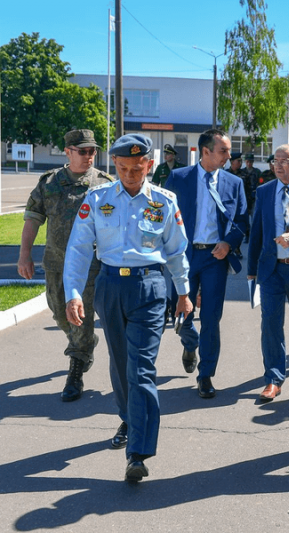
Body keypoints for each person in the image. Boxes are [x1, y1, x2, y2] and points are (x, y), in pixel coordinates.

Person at [63, 134, 192, 482]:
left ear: (149, 165)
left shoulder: (165, 201)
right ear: (115, 166)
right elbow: (77, 249)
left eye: (137, 168)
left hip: (149, 287)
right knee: (120, 366)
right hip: (109, 286)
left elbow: (177, 250)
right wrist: (73, 293)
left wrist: (183, 292)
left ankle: (138, 451)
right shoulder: (97, 198)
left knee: (142, 370)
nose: (130, 175)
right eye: (122, 168)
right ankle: (128, 416)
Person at [17, 129, 114, 402]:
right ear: (68, 151)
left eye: (92, 151)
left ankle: (76, 368)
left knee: (79, 319)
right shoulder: (49, 183)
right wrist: (25, 255)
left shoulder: (104, 184)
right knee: (60, 315)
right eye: (82, 151)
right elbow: (33, 218)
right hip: (55, 263)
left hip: (90, 268)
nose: (88, 156)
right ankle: (84, 343)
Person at [165, 129, 249, 399]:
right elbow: (161, 215)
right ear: (205, 152)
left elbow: (242, 221)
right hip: (184, 256)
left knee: (212, 318)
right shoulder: (179, 178)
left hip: (216, 257)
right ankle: (190, 342)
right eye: (223, 150)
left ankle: (206, 375)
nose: (228, 155)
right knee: (180, 314)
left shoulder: (234, 183)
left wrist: (229, 242)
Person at [247, 144, 289, 402]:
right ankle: (273, 378)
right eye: (275, 160)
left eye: (283, 161)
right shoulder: (264, 191)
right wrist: (252, 271)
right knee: (270, 324)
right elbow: (256, 232)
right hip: (271, 268)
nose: (277, 165)